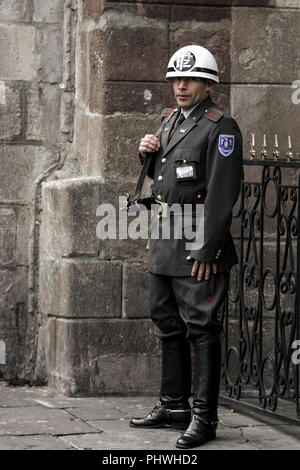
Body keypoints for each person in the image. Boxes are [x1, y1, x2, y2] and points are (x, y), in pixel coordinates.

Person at [129, 45, 243, 449]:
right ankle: (173, 405)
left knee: (202, 328)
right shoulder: (169, 121)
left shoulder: (220, 126)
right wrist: (146, 152)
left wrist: (206, 249)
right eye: (176, 78)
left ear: (208, 84)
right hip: (164, 238)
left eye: (190, 79)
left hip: (197, 246)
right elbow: (164, 178)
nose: (180, 85)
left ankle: (205, 418)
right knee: (166, 321)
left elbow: (222, 192)